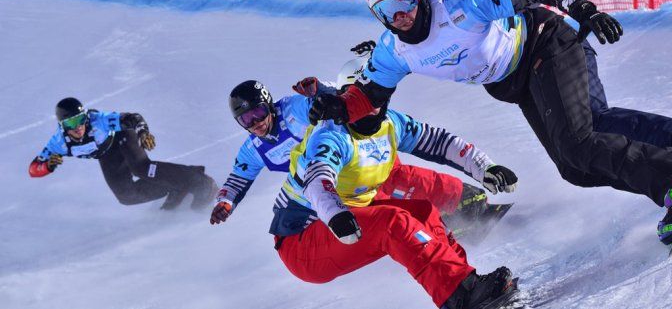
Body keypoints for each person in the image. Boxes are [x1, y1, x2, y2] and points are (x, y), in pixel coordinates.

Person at [307, 0, 672, 245]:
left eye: (406, 1)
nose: (402, 16)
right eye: (388, 10)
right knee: (574, 165)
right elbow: (369, 98)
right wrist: (340, 109)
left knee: (579, 141)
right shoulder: (393, 51)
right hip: (519, 79)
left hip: (546, 44)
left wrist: (583, 8)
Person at [268, 79, 519, 309]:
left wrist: (485, 166)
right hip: (303, 240)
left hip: (341, 215)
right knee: (392, 223)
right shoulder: (332, 135)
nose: (368, 106)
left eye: (374, 97)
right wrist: (334, 214)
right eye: (356, 98)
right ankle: (459, 297)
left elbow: (439, 142)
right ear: (343, 100)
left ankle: (467, 282)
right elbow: (317, 178)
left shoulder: (391, 124)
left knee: (423, 212)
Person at [210, 62, 514, 234]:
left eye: (259, 113)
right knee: (387, 208)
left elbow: (338, 99)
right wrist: (226, 202)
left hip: (361, 154)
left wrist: (321, 90)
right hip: (341, 183)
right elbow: (239, 177)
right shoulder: (254, 149)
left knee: (408, 181)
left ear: (269, 105)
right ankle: (442, 227)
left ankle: (470, 200)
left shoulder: (293, 110)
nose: (256, 124)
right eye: (246, 120)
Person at [29, 97, 218, 210]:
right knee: (126, 196)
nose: (78, 127)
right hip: (106, 154)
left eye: (80, 119)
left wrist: (143, 132)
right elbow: (34, 169)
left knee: (141, 168)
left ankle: (199, 181)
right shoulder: (59, 143)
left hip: (121, 137)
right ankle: (176, 187)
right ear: (62, 126)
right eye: (71, 123)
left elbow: (132, 118)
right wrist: (48, 166)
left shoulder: (98, 121)